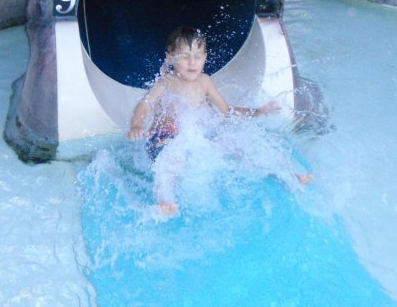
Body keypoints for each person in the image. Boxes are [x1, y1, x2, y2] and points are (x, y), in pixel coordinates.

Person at [127, 26, 311, 216]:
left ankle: (284, 176)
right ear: (171, 57)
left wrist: (257, 112)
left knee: (235, 144)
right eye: (185, 56)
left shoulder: (205, 82)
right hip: (164, 140)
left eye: (198, 56)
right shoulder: (165, 82)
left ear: (205, 57)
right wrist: (136, 125)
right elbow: (144, 105)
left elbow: (226, 111)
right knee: (174, 158)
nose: (192, 62)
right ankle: (166, 201)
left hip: (194, 138)